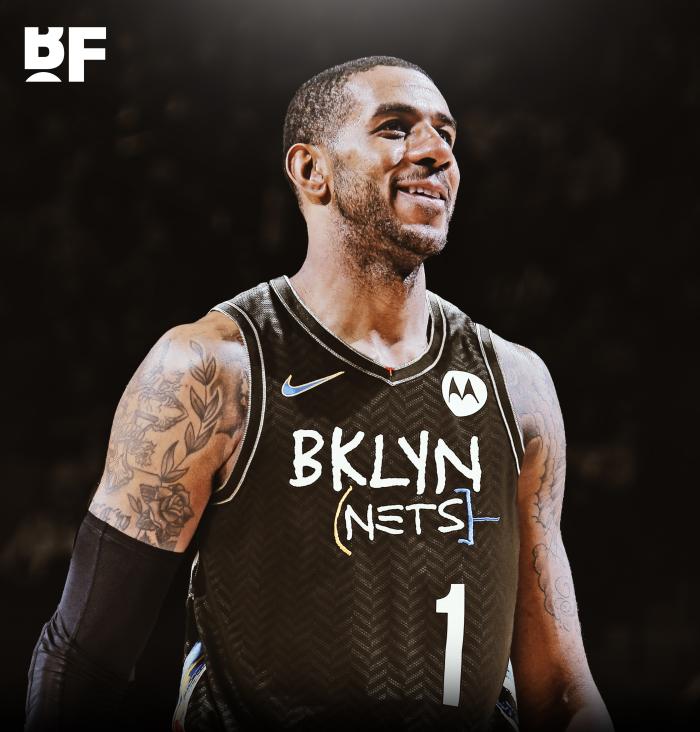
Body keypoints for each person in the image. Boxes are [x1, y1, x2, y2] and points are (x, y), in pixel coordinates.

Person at [25, 56, 613, 731]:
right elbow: (83, 657)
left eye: (447, 134)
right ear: (312, 170)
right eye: (396, 127)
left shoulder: (516, 383)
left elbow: (560, 689)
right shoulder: (212, 370)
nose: (436, 152)